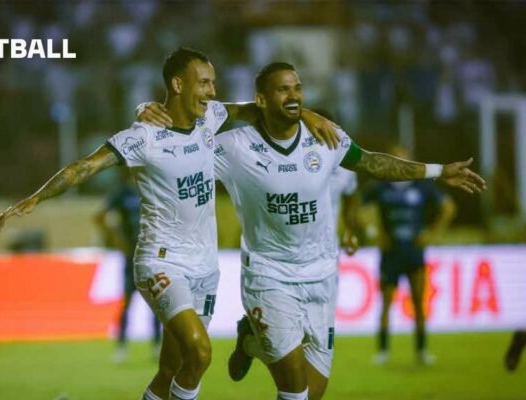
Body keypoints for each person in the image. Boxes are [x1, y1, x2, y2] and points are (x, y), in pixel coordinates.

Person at [0, 48, 339, 400]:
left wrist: (308, 115)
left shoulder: (210, 118)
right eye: (204, 83)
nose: (212, 91)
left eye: (213, 83)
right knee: (200, 352)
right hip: (161, 261)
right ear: (178, 85)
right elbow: (85, 166)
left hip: (204, 267)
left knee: (170, 371)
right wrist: (36, 197)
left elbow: (258, 109)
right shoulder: (144, 137)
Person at [140, 61, 485, 400]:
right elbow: (181, 135)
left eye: (297, 88)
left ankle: (251, 342)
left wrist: (439, 171)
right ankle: (258, 339)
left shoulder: (325, 137)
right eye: (283, 90)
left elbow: (372, 162)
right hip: (269, 276)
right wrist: (147, 110)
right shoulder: (233, 146)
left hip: (322, 276)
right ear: (261, 99)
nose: (294, 96)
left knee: (313, 391)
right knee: (295, 390)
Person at [362, 144, 457, 366]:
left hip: (414, 252)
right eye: (395, 158)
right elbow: (360, 206)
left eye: (402, 159)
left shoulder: (421, 186)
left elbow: (448, 207)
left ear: (409, 162)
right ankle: (383, 351)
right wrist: (374, 232)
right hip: (390, 252)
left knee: (418, 303)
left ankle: (421, 350)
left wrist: (433, 234)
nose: (399, 162)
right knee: (386, 304)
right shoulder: (380, 185)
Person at [94, 179, 162, 363]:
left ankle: (157, 345)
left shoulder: (151, 189)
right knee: (127, 302)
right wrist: (116, 239)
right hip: (130, 257)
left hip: (150, 257)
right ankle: (121, 346)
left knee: (156, 303)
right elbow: (99, 217)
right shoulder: (122, 193)